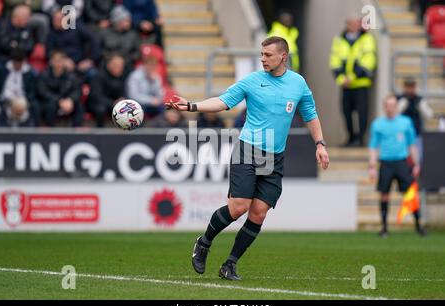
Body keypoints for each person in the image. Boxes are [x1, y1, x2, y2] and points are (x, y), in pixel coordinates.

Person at [166, 36, 329, 281]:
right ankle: (204, 242)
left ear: (283, 56)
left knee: (258, 213)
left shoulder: (298, 83)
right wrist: (190, 106)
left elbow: (310, 115)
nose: (263, 59)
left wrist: (320, 143)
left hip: (275, 156)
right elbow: (222, 102)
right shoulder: (252, 81)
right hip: (249, 150)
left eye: (268, 55)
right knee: (238, 207)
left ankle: (229, 264)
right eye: (261, 54)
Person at [368, 95, 426, 238]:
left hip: (402, 162)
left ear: (396, 106)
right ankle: (384, 228)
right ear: (384, 107)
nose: (390, 107)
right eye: (387, 105)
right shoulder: (378, 124)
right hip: (386, 163)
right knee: (384, 195)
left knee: (411, 194)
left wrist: (416, 164)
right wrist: (372, 167)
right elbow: (373, 147)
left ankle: (418, 226)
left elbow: (412, 145)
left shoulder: (405, 122)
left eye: (393, 105)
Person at [330, 15, 377, 147]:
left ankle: (360, 139)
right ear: (347, 25)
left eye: (357, 23)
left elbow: (369, 60)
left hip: (361, 84)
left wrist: (353, 77)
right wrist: (341, 78)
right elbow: (334, 60)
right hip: (345, 85)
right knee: (346, 112)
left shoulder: (366, 38)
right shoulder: (339, 40)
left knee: (362, 113)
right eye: (352, 23)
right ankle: (350, 137)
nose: (355, 26)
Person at [36, 50, 82, 127]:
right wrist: (59, 101)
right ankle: (51, 131)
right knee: (50, 106)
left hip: (67, 102)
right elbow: (42, 91)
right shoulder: (44, 75)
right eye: (56, 61)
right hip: (51, 102)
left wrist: (70, 100)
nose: (59, 63)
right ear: (51, 62)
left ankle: (77, 132)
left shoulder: (71, 76)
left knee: (79, 106)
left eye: (61, 61)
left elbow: (77, 90)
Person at [397, 78, 434, 162]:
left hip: (416, 133)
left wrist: (421, 106)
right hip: (402, 134)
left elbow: (429, 115)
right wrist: (401, 105)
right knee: (402, 158)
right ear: (404, 87)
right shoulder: (399, 98)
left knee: (417, 158)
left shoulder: (419, 99)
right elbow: (394, 115)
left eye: (412, 87)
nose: (410, 89)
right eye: (408, 87)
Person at [87, 54, 129, 127]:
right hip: (98, 103)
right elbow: (96, 96)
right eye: (116, 65)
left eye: (121, 65)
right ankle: (100, 133)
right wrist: (112, 103)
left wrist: (122, 100)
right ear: (109, 64)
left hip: (116, 104)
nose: (119, 67)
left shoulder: (124, 76)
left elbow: (125, 92)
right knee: (101, 109)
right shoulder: (98, 76)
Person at [126, 54, 165, 119]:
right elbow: (133, 95)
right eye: (150, 65)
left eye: (154, 65)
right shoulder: (135, 76)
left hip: (151, 104)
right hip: (137, 103)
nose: (152, 67)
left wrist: (153, 82)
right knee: (139, 109)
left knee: (164, 108)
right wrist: (150, 100)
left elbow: (160, 95)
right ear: (144, 65)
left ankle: (158, 128)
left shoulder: (156, 77)